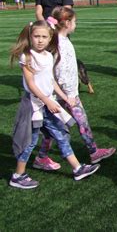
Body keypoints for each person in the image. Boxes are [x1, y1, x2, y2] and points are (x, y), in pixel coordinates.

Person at [10, 20, 100, 189]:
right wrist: (47, 101)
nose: (40, 40)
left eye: (44, 36)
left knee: (60, 133)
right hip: (34, 107)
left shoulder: (48, 56)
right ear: (30, 36)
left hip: (47, 104)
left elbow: (51, 81)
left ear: (50, 37)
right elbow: (31, 84)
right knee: (31, 141)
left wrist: (65, 98)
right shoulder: (27, 56)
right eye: (36, 36)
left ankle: (78, 168)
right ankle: (18, 175)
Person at [32, 7, 116, 171]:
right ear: (68, 23)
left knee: (80, 122)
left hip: (68, 94)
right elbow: (60, 71)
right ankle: (41, 157)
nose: (75, 25)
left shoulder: (62, 40)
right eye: (75, 21)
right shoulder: (58, 43)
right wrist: (66, 94)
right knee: (55, 128)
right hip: (62, 95)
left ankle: (93, 151)